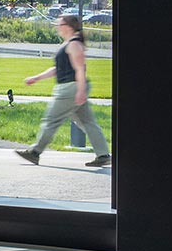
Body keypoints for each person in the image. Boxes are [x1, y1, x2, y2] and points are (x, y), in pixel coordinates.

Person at [17, 15, 112, 168]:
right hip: (72, 87)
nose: (57, 26)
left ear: (68, 26)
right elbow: (57, 69)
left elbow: (80, 69)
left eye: (60, 24)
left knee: (51, 120)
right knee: (87, 122)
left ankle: (34, 152)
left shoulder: (74, 45)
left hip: (70, 88)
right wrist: (36, 78)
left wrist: (80, 91)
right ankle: (103, 155)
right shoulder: (69, 43)